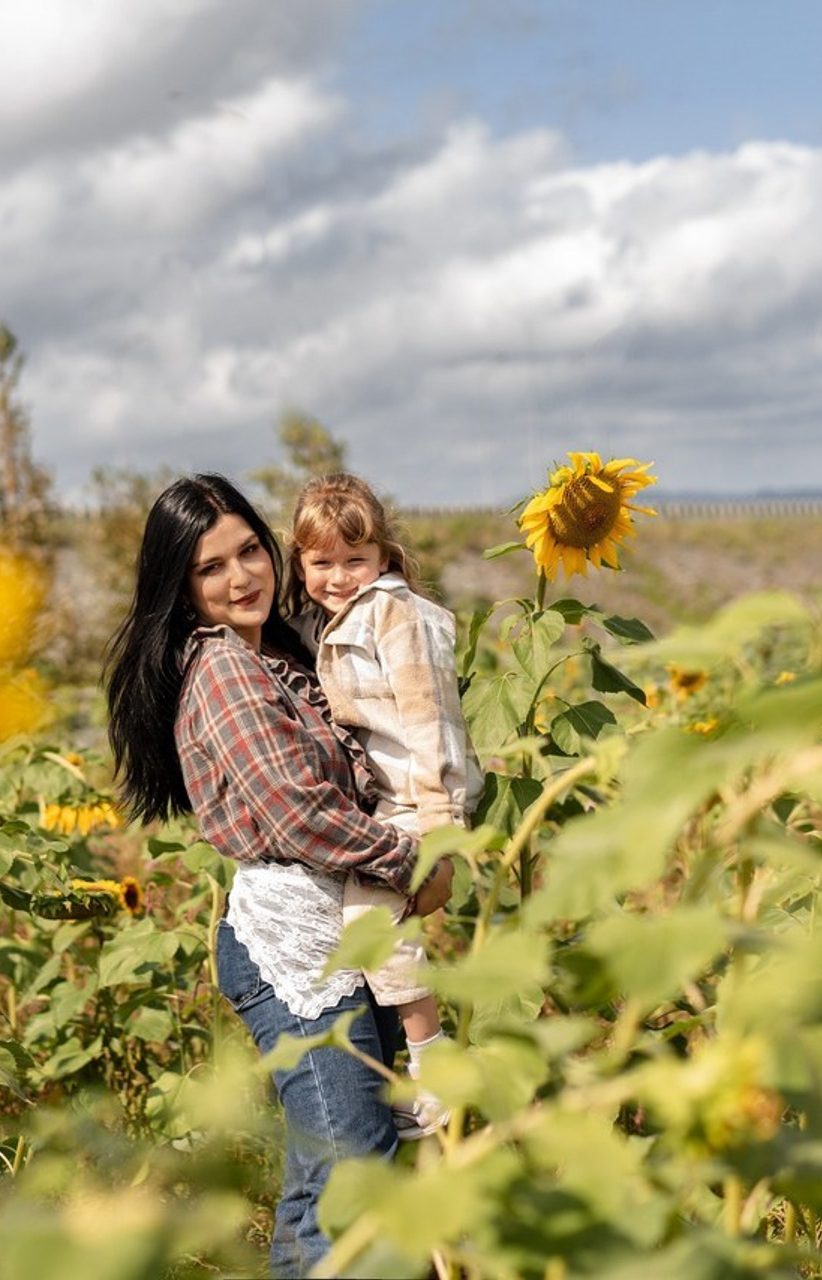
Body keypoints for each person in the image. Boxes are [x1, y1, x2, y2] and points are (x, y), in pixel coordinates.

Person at [103, 473, 453, 1278]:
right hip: (292, 949)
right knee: (355, 1171)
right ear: (181, 588)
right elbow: (297, 814)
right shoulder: (223, 668)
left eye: (250, 551)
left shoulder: (278, 654)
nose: (241, 577)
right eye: (211, 568)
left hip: (333, 925)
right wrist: (411, 859)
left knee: (317, 1183)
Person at [285, 473, 482, 1139]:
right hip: (386, 803)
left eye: (354, 561)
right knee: (369, 939)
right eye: (322, 563)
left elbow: (430, 722)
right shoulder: (344, 617)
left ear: (384, 557)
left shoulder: (395, 614)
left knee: (372, 930)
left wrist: (439, 832)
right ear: (300, 562)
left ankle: (436, 1067)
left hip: (414, 802)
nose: (339, 576)